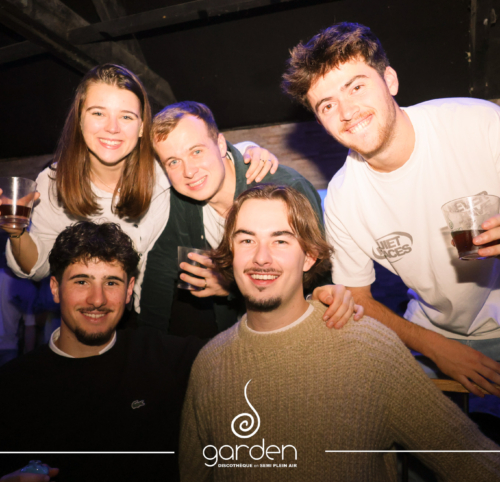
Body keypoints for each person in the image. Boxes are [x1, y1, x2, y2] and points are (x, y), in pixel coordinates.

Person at [179, 184, 500, 482]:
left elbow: (469, 463)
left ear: (309, 256)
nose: (261, 258)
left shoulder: (367, 349)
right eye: (247, 240)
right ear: (231, 254)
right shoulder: (210, 363)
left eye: (280, 240)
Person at [280, 22, 500, 397]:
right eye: (327, 105)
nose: (347, 111)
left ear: (390, 81)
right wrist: (438, 349)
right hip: (433, 329)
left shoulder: (477, 123)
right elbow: (358, 299)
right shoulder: (343, 200)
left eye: (356, 87)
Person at [3, 64, 278, 312]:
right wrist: (16, 233)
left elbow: (203, 158)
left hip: (166, 308)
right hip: (99, 311)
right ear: (80, 120)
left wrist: (247, 150)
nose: (112, 128)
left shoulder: (162, 169)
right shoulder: (53, 183)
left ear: (141, 127)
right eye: (98, 113)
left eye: (126, 117)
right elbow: (40, 268)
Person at [0, 221, 205, 482]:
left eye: (111, 282)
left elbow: (244, 354)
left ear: (129, 290)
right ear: (55, 288)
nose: (97, 299)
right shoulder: (13, 386)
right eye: (81, 281)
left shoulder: (165, 357)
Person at [140, 101, 361, 336]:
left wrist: (230, 285)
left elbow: (318, 277)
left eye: (196, 151)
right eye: (173, 162)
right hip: (235, 335)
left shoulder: (288, 189)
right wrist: (145, 345)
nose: (189, 171)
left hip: (301, 330)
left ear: (221, 144)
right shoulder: (180, 201)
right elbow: (159, 271)